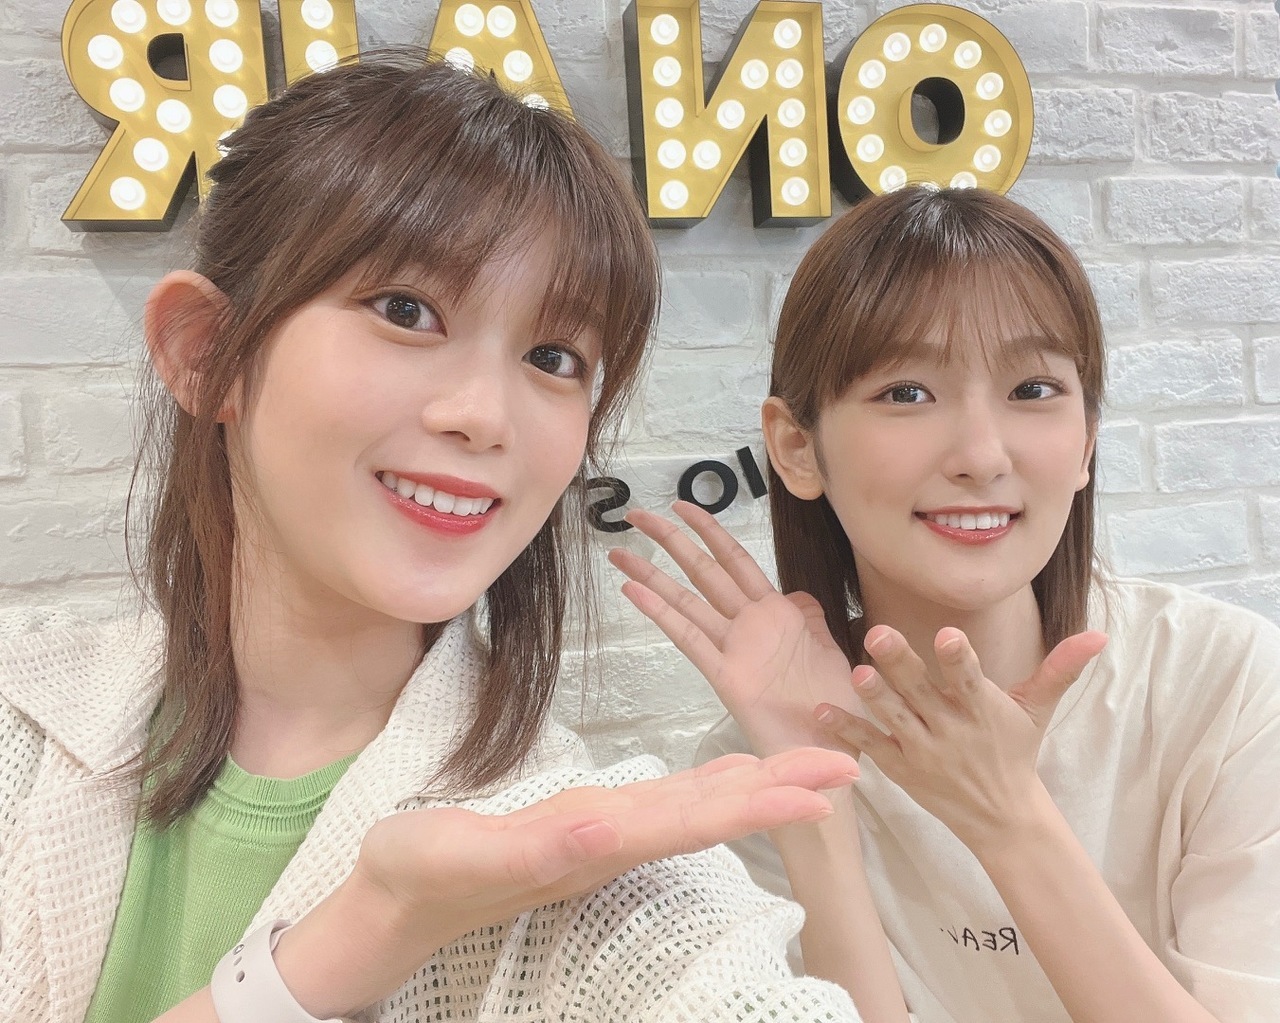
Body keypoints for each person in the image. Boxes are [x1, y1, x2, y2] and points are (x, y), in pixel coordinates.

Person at [0, 53, 873, 1023]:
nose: (484, 417)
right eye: (405, 311)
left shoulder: (568, 854)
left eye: (552, 357)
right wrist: (336, 953)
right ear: (206, 353)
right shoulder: (21, 727)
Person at [612, 186, 1280, 1023]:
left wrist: (1007, 817)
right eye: (907, 392)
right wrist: (813, 802)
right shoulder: (755, 767)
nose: (981, 455)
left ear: (1086, 439)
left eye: (1032, 388)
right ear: (795, 445)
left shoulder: (1225, 685)